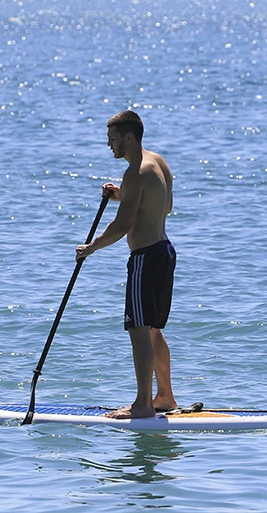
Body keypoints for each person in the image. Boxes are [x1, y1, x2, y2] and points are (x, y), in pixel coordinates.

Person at [75, 110, 178, 419]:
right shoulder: (156, 162)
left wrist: (91, 248)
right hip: (165, 252)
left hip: (145, 259)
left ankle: (143, 405)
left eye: (113, 139)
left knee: (138, 329)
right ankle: (165, 397)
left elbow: (122, 227)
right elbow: (164, 206)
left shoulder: (135, 172)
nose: (110, 145)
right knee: (153, 330)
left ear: (128, 138)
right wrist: (124, 196)